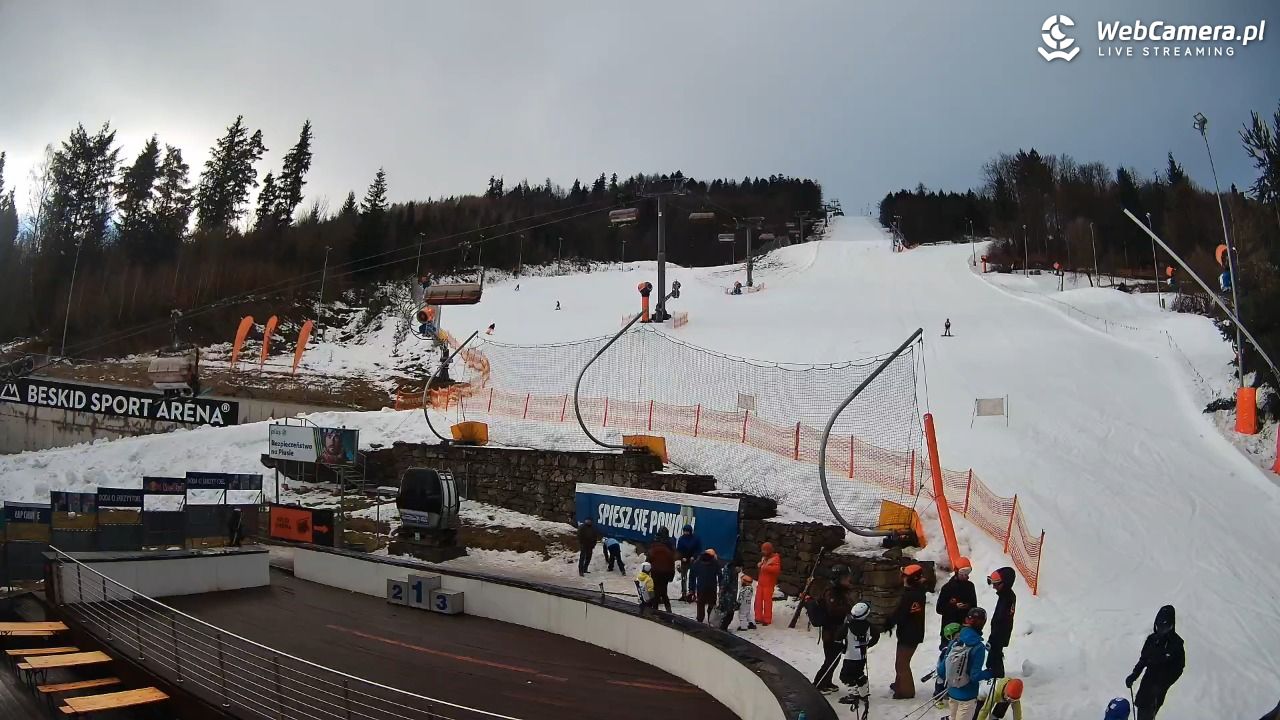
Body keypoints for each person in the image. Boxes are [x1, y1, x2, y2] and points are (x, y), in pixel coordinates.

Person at [1125, 605, 1184, 720]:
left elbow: (1179, 668)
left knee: (1149, 713)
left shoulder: (1176, 644)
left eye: (1165, 627)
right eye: (1159, 627)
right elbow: (1143, 660)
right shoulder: (1152, 639)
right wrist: (1134, 675)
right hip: (1147, 682)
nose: (1161, 630)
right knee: (1142, 709)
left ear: (1171, 626)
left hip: (1160, 687)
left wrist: (1164, 683)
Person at [937, 607, 994, 720]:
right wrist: (990, 673)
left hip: (952, 692)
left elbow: (942, 670)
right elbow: (975, 676)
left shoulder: (956, 639)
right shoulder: (978, 647)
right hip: (968, 695)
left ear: (967, 620)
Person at [886, 563, 927, 699]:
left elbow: (900, 614)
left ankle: (906, 691)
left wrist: (888, 623)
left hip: (909, 634)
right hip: (912, 633)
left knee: (902, 664)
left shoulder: (910, 596)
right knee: (901, 662)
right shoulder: (918, 592)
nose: (902, 578)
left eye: (904, 576)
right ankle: (900, 684)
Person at [813, 565, 856, 693]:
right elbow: (833, 610)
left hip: (838, 630)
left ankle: (827, 681)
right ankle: (819, 683)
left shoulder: (840, 591)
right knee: (830, 658)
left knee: (835, 657)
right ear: (839, 578)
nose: (849, 580)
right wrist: (849, 611)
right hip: (831, 631)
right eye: (846, 578)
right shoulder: (831, 592)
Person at [837, 601, 880, 719]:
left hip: (850, 656)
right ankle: (863, 692)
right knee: (858, 673)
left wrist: (843, 645)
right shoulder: (869, 626)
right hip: (861, 657)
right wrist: (868, 644)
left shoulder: (848, 625)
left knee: (845, 676)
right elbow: (876, 636)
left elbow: (838, 636)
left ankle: (854, 694)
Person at [937, 557, 976, 649]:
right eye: (963, 573)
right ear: (956, 571)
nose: (966, 576)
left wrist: (967, 606)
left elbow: (974, 606)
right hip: (949, 630)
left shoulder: (970, 587)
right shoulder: (947, 588)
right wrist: (954, 606)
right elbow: (939, 609)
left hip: (965, 630)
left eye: (967, 573)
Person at [987, 567, 1018, 678]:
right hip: (999, 634)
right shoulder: (1006, 596)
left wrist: (993, 637)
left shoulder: (1007, 598)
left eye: (997, 584)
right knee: (994, 657)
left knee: (994, 658)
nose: (994, 586)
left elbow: (1001, 621)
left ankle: (996, 678)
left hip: (999, 635)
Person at [932, 622, 963, 706]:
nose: (959, 636)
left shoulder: (961, 644)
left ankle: (949, 694)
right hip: (943, 669)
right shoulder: (947, 648)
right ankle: (937, 698)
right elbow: (942, 661)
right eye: (957, 635)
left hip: (953, 670)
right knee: (940, 683)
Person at [646, 529, 676, 612]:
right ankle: (668, 609)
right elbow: (671, 562)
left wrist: (646, 571)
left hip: (656, 571)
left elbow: (648, 559)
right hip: (666, 572)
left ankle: (655, 609)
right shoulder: (669, 548)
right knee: (663, 590)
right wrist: (671, 575)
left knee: (655, 590)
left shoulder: (654, 547)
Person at [690, 549, 722, 624]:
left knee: (700, 604)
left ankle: (700, 619)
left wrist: (692, 589)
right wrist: (721, 587)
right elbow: (720, 575)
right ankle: (711, 620)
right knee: (711, 604)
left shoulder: (697, 562)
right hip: (712, 587)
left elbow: (692, 576)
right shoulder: (715, 562)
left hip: (701, 587)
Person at [755, 542, 781, 625]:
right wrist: (760, 565)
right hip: (761, 583)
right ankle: (758, 617)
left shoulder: (775, 558)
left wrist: (765, 567)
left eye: (765, 550)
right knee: (758, 600)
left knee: (767, 602)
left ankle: (767, 619)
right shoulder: (764, 558)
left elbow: (776, 570)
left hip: (769, 584)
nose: (763, 552)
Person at [676, 525, 703, 601]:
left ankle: (692, 593)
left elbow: (698, 549)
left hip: (693, 560)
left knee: (692, 576)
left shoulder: (695, 539)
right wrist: (682, 557)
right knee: (683, 577)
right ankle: (683, 593)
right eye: (685, 531)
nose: (686, 533)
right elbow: (679, 550)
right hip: (684, 560)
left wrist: (694, 557)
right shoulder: (681, 539)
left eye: (687, 531)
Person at [715, 559, 742, 631]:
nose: (740, 570)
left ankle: (723, 628)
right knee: (728, 614)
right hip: (727, 597)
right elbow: (724, 584)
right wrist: (721, 594)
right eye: (740, 568)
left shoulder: (732, 571)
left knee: (729, 613)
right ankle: (722, 628)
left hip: (730, 596)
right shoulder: (730, 572)